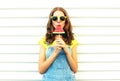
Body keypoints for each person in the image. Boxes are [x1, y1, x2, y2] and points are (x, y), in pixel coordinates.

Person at [38, 7, 78, 81]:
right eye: (55, 18)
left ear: (66, 21)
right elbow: (41, 70)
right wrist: (55, 53)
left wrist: (66, 50)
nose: (58, 21)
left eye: (62, 18)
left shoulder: (72, 41)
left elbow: (75, 69)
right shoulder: (44, 41)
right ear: (51, 21)